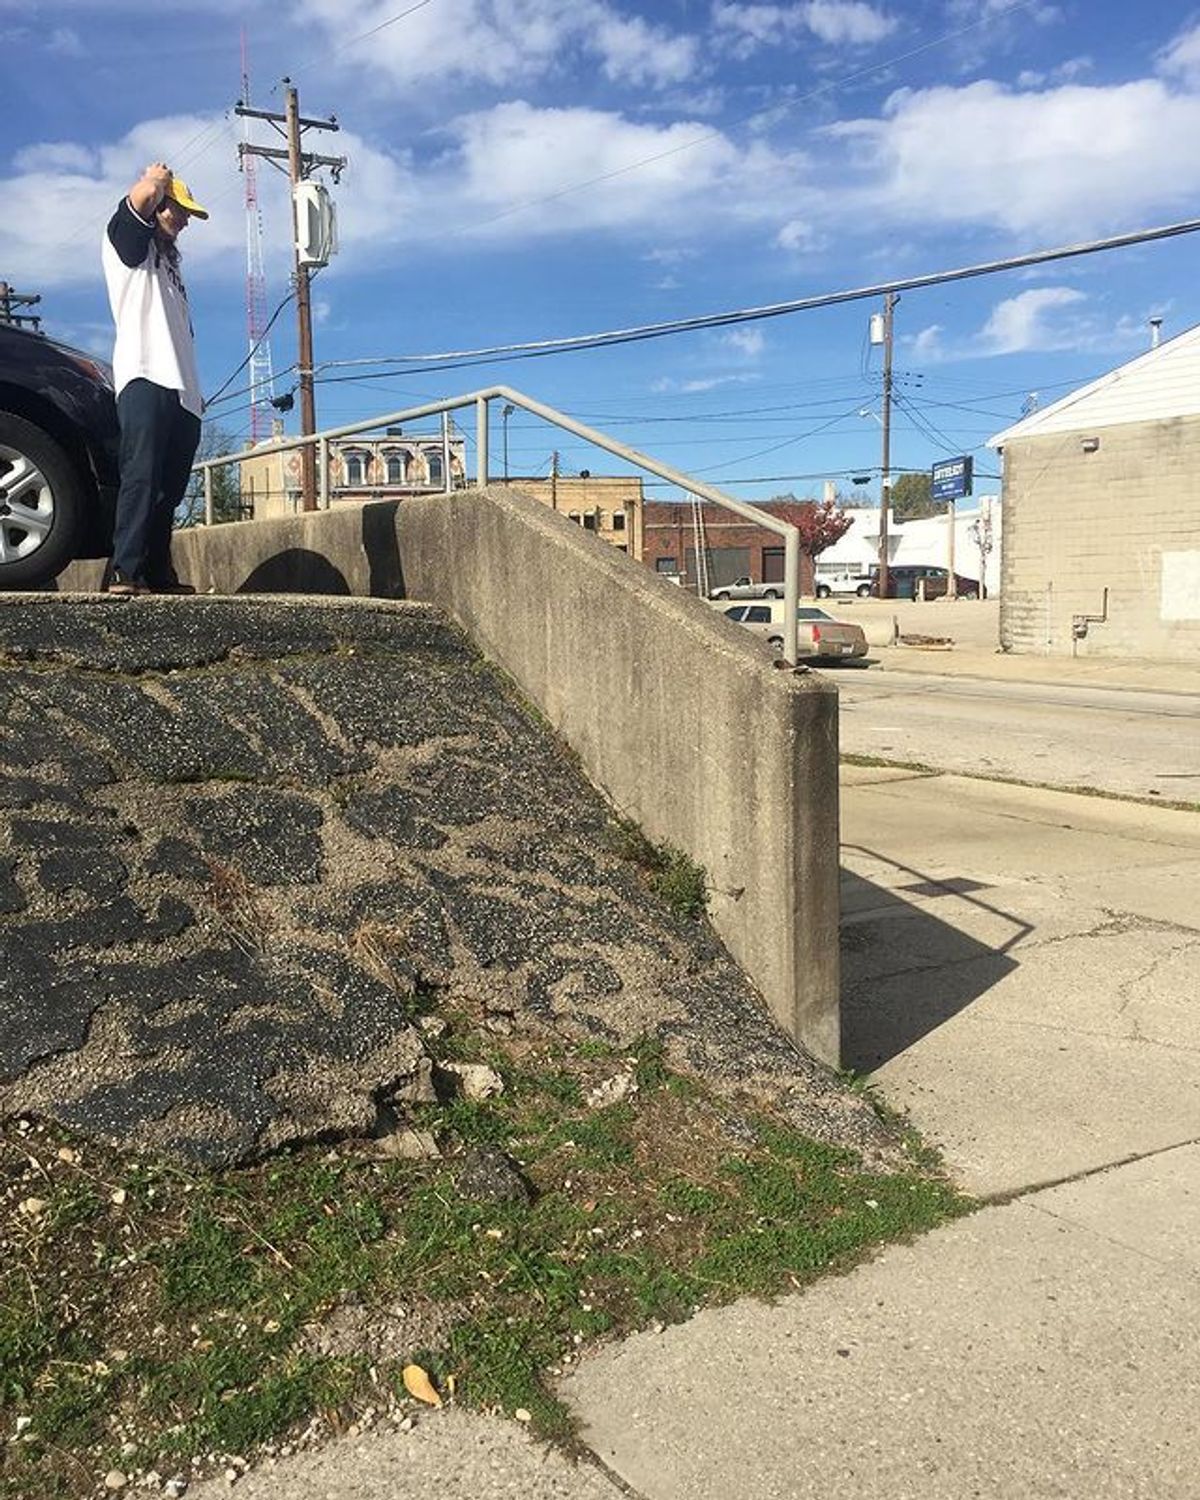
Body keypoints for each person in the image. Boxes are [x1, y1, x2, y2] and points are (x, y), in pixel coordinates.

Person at [101, 160, 208, 595]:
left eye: (186, 214)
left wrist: (197, 396)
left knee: (171, 489)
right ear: (157, 204)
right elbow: (139, 200)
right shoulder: (129, 247)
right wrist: (156, 180)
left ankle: (157, 572)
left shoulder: (173, 270)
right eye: (175, 210)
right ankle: (124, 570)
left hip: (184, 391)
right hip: (144, 375)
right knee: (141, 476)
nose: (182, 220)